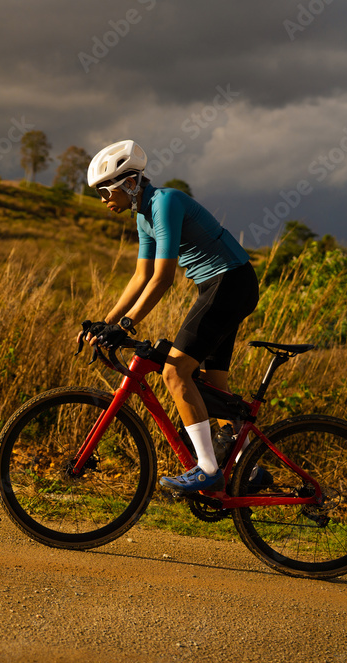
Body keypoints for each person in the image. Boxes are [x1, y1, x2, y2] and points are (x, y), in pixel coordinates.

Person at [83, 140, 259, 492]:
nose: (104, 200)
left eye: (106, 191)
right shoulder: (144, 216)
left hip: (227, 284)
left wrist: (128, 324)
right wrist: (108, 321)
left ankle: (208, 469)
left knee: (175, 372)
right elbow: (140, 277)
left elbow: (162, 279)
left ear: (130, 184)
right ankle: (249, 468)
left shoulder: (165, 203)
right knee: (214, 388)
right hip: (222, 286)